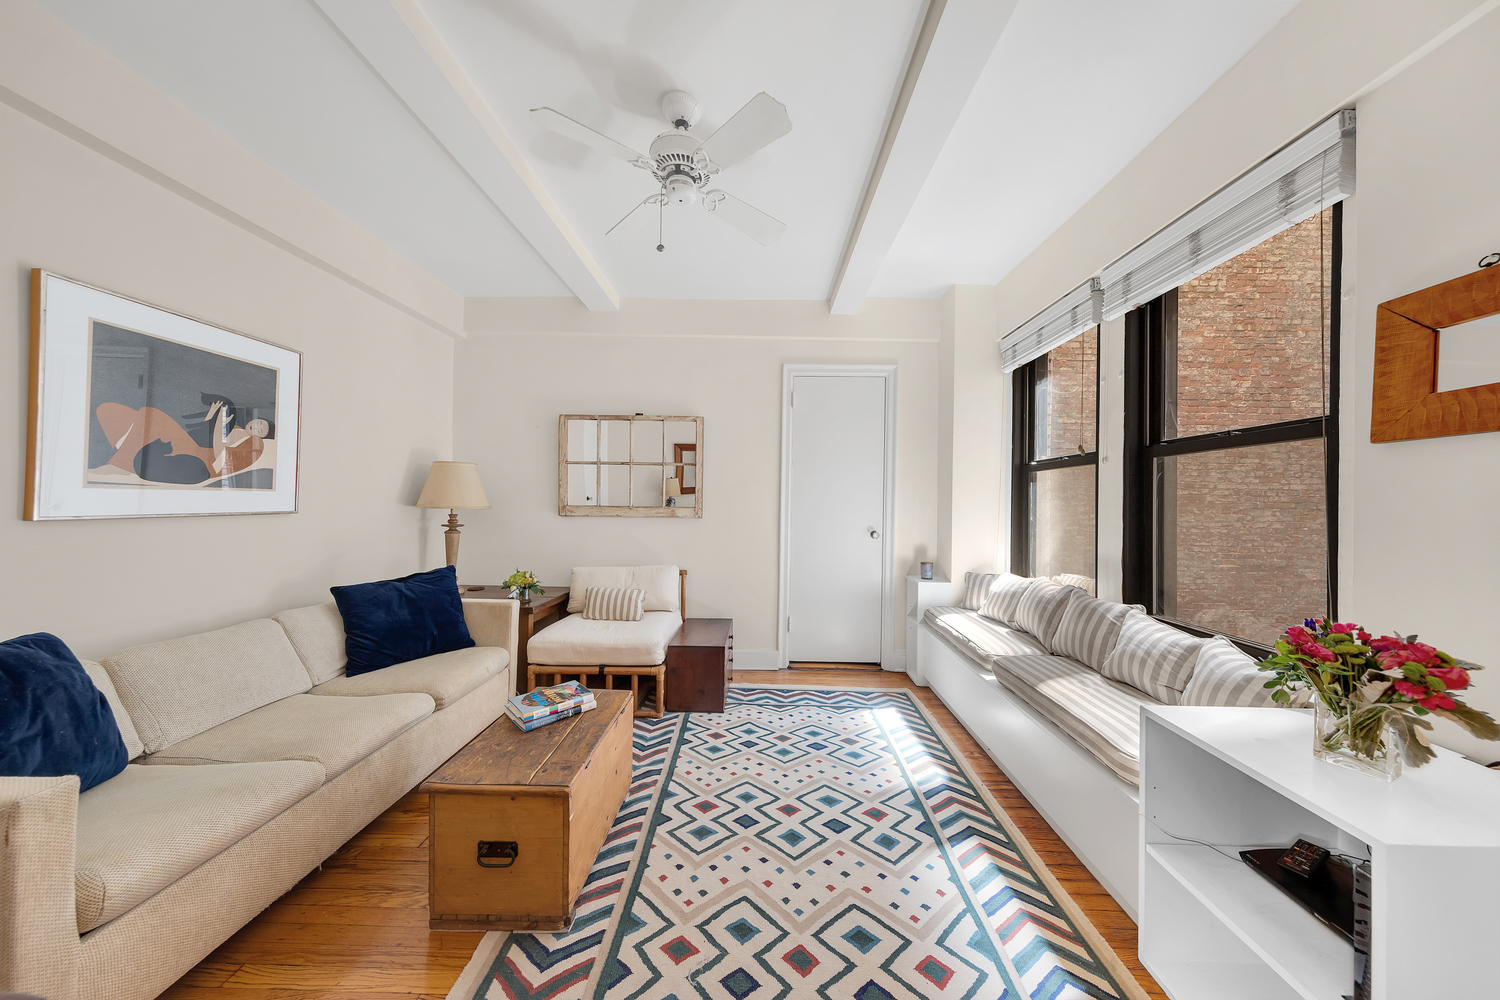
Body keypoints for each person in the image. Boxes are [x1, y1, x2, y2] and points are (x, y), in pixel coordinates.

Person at [94, 399, 268, 485]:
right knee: (108, 410)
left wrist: (218, 426)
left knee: (150, 414)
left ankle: (120, 464)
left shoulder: (254, 446)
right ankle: (126, 459)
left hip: (196, 460)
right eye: (260, 423)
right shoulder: (235, 426)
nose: (258, 428)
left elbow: (219, 459)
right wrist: (211, 417)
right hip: (191, 442)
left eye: (262, 431)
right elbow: (203, 434)